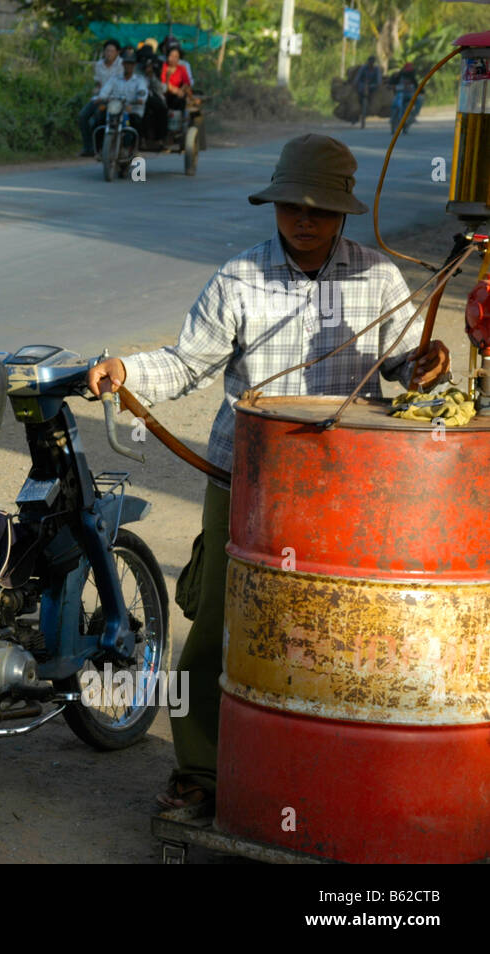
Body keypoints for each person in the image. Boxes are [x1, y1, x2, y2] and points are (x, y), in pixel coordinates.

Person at [85, 134, 450, 813]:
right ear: (275, 205)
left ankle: (329, 776)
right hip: (246, 483)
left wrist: (428, 364)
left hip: (347, 490)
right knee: (222, 624)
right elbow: (184, 363)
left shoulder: (378, 279)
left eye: (319, 209)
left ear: (343, 212)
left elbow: (407, 368)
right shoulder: (239, 278)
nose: (304, 221)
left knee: (345, 634)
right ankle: (199, 772)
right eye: (291, 207)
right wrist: (127, 371)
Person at [94, 48, 149, 144]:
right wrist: (100, 98)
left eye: (131, 64)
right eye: (126, 63)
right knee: (99, 119)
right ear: (123, 64)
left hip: (132, 110)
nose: (128, 66)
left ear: (134, 65)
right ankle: (98, 148)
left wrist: (136, 101)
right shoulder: (115, 79)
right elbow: (105, 91)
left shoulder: (140, 80)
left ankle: (135, 146)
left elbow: (142, 95)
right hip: (115, 110)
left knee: (137, 122)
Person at [79, 39, 122, 157]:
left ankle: (102, 147)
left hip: (115, 100)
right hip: (100, 98)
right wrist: (97, 91)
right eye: (107, 51)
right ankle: (88, 147)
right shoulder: (99, 65)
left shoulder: (121, 65)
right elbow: (98, 83)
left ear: (117, 52)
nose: (109, 54)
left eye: (112, 51)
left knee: (99, 117)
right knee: (83, 116)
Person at [389, 62, 424, 132]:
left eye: (409, 71)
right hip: (399, 94)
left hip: (409, 95)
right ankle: (393, 119)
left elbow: (418, 87)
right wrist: (390, 86)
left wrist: (421, 91)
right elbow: (392, 82)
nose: (408, 72)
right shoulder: (398, 76)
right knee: (394, 104)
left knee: (420, 99)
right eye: (407, 70)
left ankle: (413, 116)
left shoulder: (413, 78)